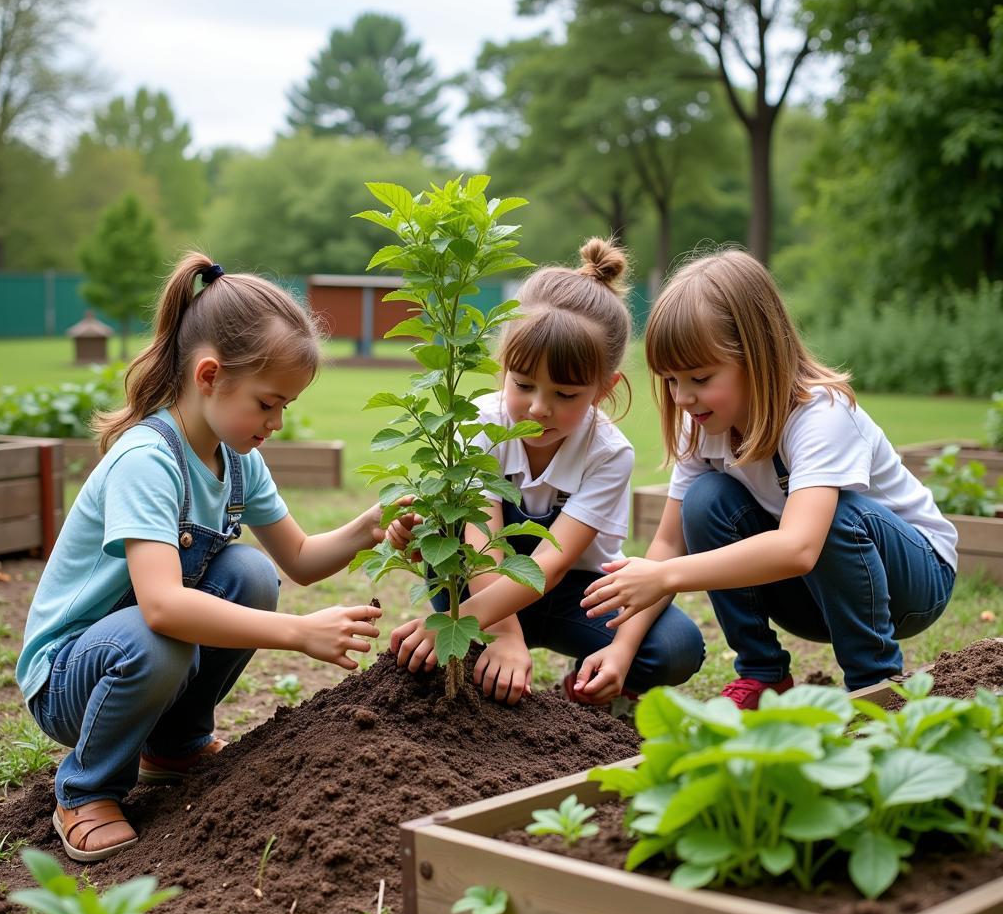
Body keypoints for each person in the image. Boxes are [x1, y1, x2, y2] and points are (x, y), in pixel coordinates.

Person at [17, 253, 410, 862]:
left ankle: (174, 746)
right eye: (267, 403)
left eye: (287, 408)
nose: (277, 422)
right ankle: (85, 789)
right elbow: (164, 607)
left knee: (250, 572)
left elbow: (299, 559)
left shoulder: (238, 460)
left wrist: (366, 528)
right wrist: (299, 633)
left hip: (142, 655)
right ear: (208, 376)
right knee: (161, 635)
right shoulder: (147, 461)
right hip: (70, 678)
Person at [581, 248, 958, 709]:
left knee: (836, 515)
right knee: (705, 500)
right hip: (816, 594)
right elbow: (667, 546)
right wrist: (621, 650)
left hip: (912, 582)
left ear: (757, 355)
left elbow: (799, 547)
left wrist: (666, 576)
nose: (682, 397)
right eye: (672, 380)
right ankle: (762, 674)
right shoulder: (702, 424)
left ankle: (874, 683)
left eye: (699, 377)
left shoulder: (821, 415)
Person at [389, 238, 705, 706]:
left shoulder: (608, 453)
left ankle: (591, 690)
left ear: (604, 389)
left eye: (566, 394)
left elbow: (551, 567)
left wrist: (480, 626)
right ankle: (471, 681)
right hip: (478, 582)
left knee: (674, 647)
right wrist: (499, 632)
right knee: (453, 615)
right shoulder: (478, 424)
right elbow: (483, 548)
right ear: (504, 368)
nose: (539, 408)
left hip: (572, 592)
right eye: (523, 385)